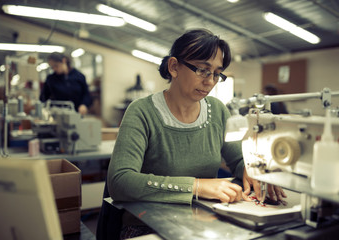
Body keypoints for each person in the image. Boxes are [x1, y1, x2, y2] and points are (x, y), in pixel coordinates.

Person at [106, 29, 286, 239]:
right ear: (174, 67)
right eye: (202, 70)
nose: (210, 81)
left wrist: (253, 170)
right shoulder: (141, 111)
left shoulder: (218, 110)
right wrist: (196, 185)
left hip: (205, 222)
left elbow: (238, 159)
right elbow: (120, 181)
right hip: (146, 226)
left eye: (217, 74)